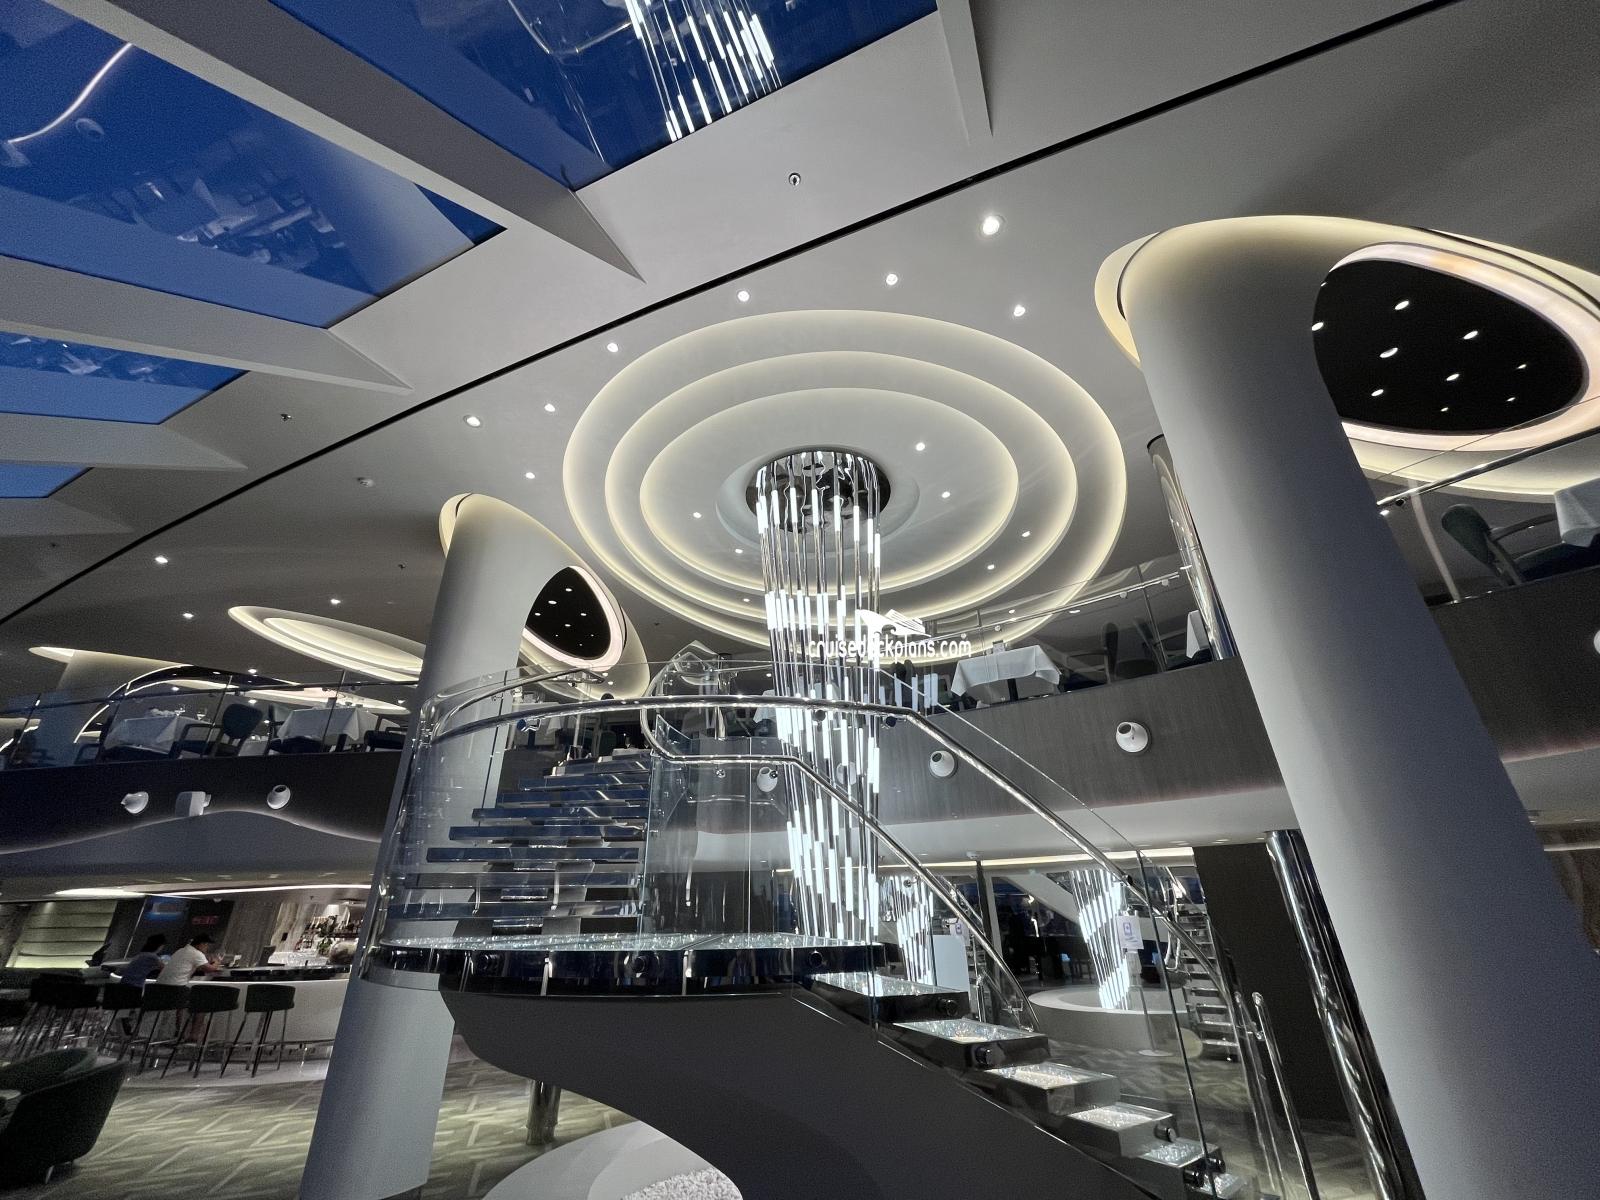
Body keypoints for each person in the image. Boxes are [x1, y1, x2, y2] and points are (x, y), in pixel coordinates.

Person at [156, 933, 221, 986]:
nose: (207, 948)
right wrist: (217, 961)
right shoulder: (196, 953)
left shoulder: (181, 950)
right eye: (207, 945)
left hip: (158, 985)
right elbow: (209, 969)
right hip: (175, 987)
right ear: (201, 944)